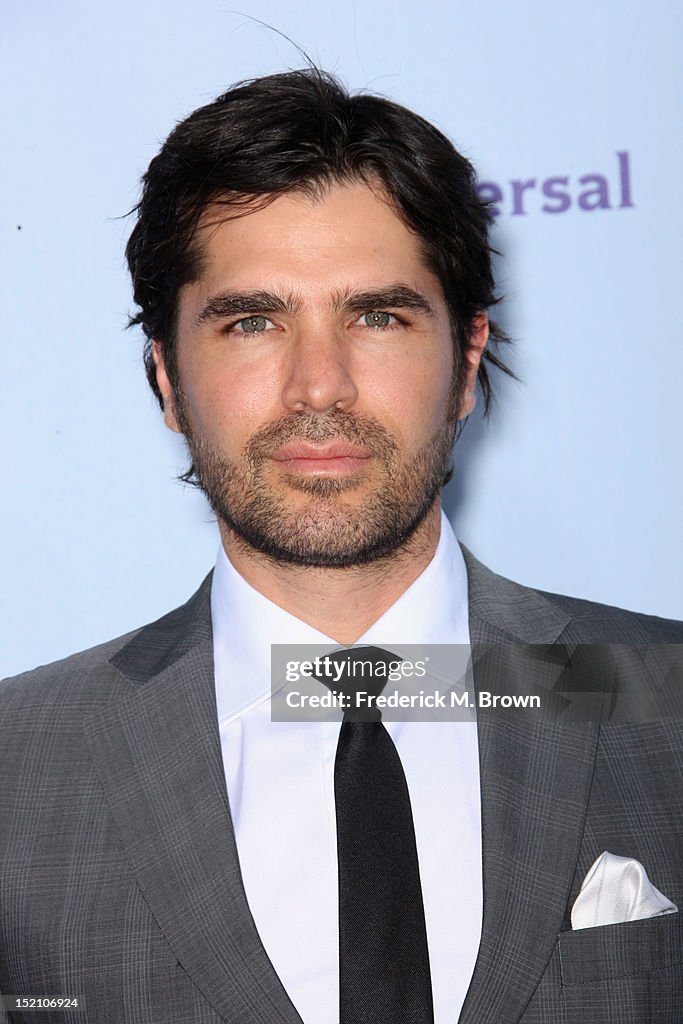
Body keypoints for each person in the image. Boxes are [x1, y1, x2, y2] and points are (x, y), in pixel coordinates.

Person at [0, 69, 681, 1024]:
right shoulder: (14, 765)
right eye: (250, 322)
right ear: (164, 379)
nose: (319, 386)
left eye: (377, 316)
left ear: (466, 364)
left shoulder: (663, 693)